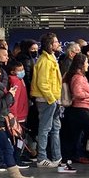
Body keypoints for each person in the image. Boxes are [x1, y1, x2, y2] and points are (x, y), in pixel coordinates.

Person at [30, 33, 64, 168]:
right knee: (45, 129)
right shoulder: (45, 61)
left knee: (55, 128)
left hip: (52, 99)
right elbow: (42, 83)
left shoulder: (51, 58)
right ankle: (41, 158)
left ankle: (57, 157)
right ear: (50, 44)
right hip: (46, 100)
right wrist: (51, 99)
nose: (58, 44)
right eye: (56, 42)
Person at [59, 52, 89, 173]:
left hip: (74, 108)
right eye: (86, 62)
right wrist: (88, 94)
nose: (88, 64)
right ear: (81, 64)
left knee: (73, 136)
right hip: (78, 108)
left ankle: (65, 161)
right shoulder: (77, 77)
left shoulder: (73, 75)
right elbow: (77, 93)